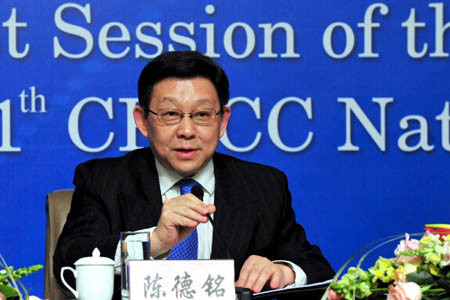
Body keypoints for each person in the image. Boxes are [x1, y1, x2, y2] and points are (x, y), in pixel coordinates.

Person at [54, 51, 334, 299]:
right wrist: (153, 242)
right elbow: (69, 259)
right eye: (171, 114)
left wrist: (283, 271)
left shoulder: (264, 186)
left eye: (201, 115)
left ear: (222, 121)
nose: (187, 131)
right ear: (142, 120)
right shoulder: (103, 179)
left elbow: (318, 270)